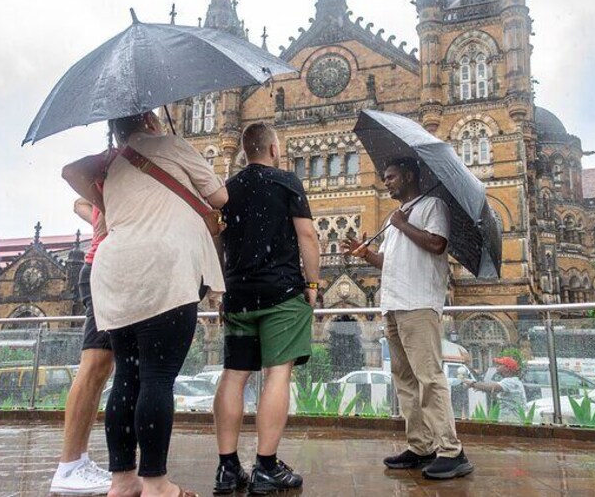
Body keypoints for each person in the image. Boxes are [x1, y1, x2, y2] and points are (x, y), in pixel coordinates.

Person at [65, 110, 227, 497]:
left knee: (127, 378)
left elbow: (73, 177)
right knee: (157, 377)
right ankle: (157, 484)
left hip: (114, 272)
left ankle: (122, 481)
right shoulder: (170, 144)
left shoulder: (109, 164)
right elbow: (221, 196)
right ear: (151, 123)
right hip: (164, 269)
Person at [342, 157, 473, 480]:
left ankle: (451, 451)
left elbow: (437, 243)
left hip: (419, 303)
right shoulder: (395, 217)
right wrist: (365, 252)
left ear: (410, 176)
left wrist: (403, 224)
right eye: (385, 178)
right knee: (405, 381)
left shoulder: (432, 206)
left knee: (429, 378)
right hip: (393, 305)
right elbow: (390, 261)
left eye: (391, 176)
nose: (386, 182)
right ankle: (420, 445)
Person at [212, 121, 320, 495]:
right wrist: (312, 284)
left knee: (234, 375)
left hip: (238, 294)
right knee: (277, 375)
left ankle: (227, 469)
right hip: (281, 294)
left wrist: (222, 289)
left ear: (244, 152)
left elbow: (218, 242)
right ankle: (266, 466)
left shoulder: (228, 190)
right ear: (273, 149)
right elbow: (307, 234)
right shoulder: (286, 182)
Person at [49, 196, 113, 495]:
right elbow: (78, 202)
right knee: (96, 364)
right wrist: (105, 225)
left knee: (103, 367)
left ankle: (79, 461)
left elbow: (79, 203)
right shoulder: (115, 164)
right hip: (104, 267)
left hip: (117, 267)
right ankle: (70, 464)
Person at [463, 356, 527, 422]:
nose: (497, 366)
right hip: (509, 419)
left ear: (507, 368)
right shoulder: (512, 381)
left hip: (513, 420)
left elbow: (492, 387)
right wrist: (482, 388)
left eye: (500, 364)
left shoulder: (511, 381)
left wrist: (472, 384)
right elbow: (493, 390)